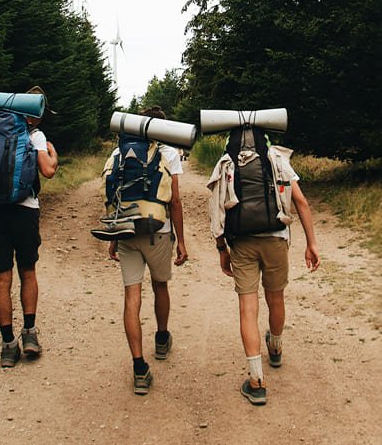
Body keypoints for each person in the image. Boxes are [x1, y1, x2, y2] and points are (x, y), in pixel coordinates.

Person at [206, 128, 320, 405]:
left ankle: (256, 381)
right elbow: (301, 202)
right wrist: (311, 244)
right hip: (276, 240)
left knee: (248, 307)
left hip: (242, 242)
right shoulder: (277, 160)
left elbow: (217, 211)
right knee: (276, 297)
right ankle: (276, 348)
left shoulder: (225, 163)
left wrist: (222, 249)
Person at [0, 85, 59, 368]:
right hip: (24, 210)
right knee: (28, 271)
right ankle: (29, 334)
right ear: (37, 114)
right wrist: (53, 154)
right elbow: (48, 170)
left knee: (1, 278)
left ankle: (8, 346)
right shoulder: (35, 134)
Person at [106, 106, 188, 394]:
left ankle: (139, 368)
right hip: (158, 232)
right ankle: (162, 339)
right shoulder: (169, 154)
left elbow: (113, 196)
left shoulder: (117, 153)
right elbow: (175, 201)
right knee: (160, 286)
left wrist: (114, 238)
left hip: (127, 230)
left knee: (132, 294)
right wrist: (182, 241)